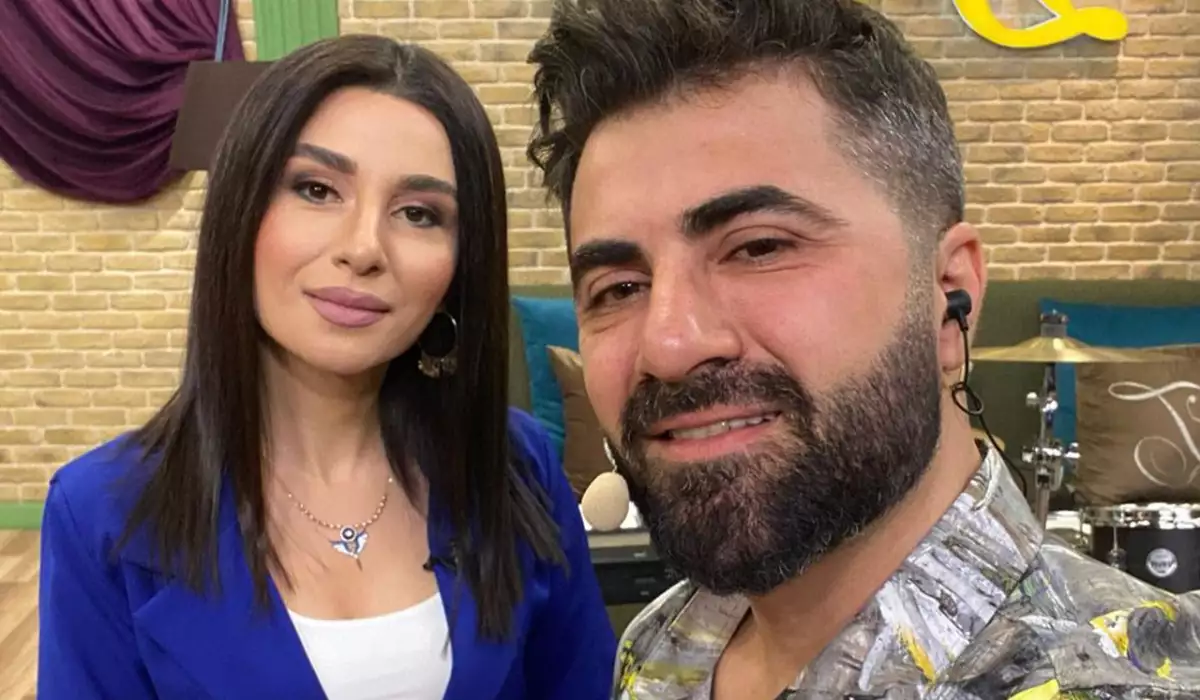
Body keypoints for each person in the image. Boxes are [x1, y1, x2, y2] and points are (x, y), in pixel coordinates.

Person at [525, 1, 1200, 698]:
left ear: (949, 296)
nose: (668, 345)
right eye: (618, 288)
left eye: (759, 248)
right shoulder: (664, 645)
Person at [38, 34, 615, 700]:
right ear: (241, 211)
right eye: (316, 189)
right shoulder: (102, 512)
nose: (364, 248)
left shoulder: (516, 465)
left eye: (419, 213)